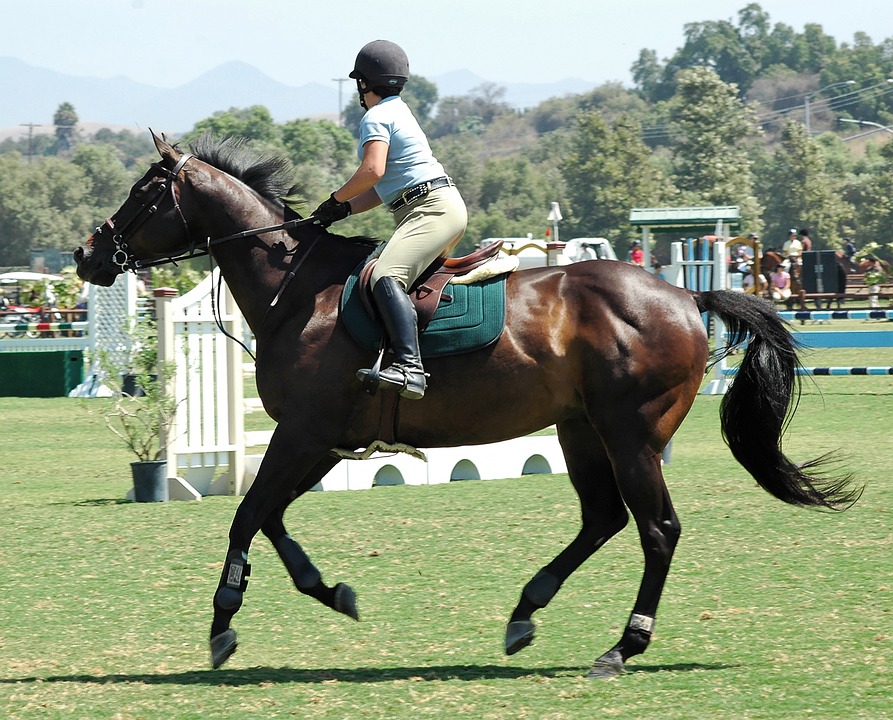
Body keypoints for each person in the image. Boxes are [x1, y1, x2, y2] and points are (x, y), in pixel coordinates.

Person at [311, 40, 468, 400]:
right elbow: (383, 188)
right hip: (436, 205)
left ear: (364, 83)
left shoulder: (376, 116)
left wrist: (335, 198)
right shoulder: (400, 111)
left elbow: (372, 170)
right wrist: (344, 210)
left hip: (430, 209)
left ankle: (411, 368)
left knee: (385, 274)